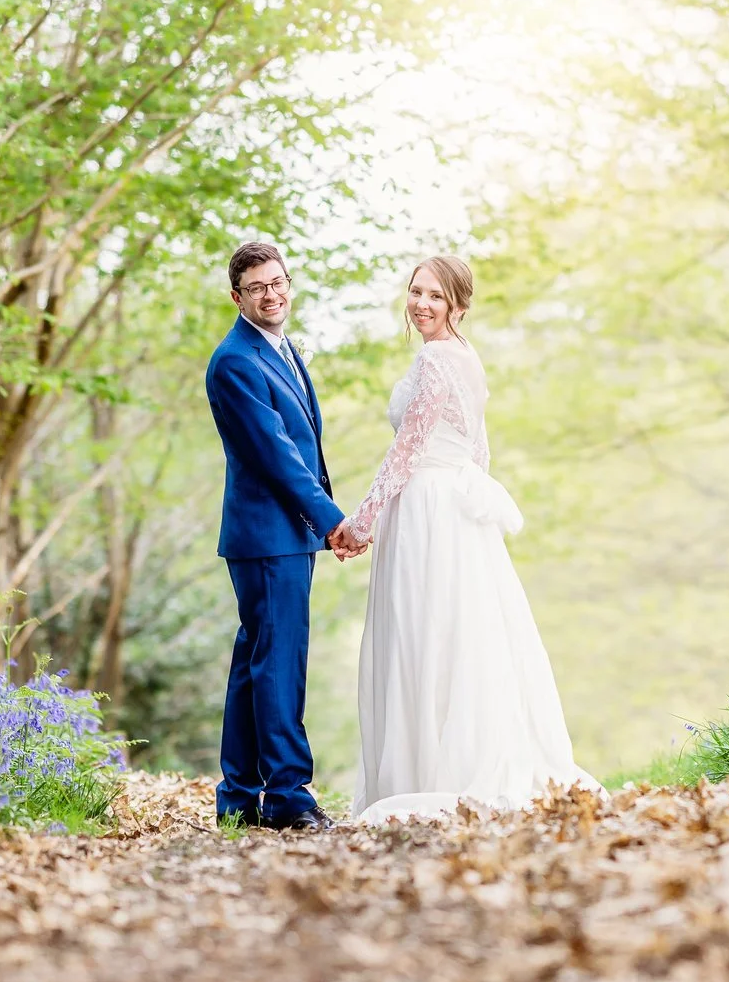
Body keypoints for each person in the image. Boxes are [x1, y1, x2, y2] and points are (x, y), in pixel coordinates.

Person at [328, 256, 596, 823]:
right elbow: (480, 452)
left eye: (435, 297)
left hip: (426, 510)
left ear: (458, 305)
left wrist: (363, 518)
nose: (421, 304)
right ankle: (436, 762)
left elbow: (408, 449)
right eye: (415, 292)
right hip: (451, 509)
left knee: (427, 630)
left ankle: (427, 776)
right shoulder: (467, 359)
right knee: (455, 631)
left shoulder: (433, 359)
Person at [206, 240, 344, 831]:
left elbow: (304, 440)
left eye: (279, 281)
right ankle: (288, 795)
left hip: (284, 534)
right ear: (237, 297)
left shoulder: (280, 350)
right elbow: (278, 457)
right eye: (258, 287)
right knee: (280, 661)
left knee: (256, 664)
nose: (272, 293)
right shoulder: (235, 361)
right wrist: (333, 519)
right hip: (268, 537)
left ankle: (238, 796)